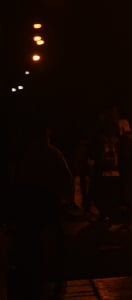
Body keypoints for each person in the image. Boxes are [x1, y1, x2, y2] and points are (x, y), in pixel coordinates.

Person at [6, 117, 75, 299]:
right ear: (47, 133)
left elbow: (19, 178)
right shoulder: (52, 153)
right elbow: (66, 177)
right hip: (47, 199)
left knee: (33, 235)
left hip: (31, 200)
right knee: (54, 234)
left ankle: (34, 266)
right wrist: (65, 198)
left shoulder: (28, 154)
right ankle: (55, 268)